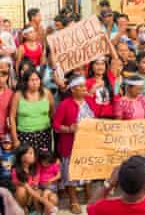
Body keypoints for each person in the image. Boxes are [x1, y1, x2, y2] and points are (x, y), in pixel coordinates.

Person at [53, 76, 99, 214]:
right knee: (71, 174)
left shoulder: (90, 101)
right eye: (80, 86)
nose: (85, 88)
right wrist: (68, 129)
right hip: (70, 145)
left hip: (88, 144)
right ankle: (73, 201)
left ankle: (89, 195)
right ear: (72, 89)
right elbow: (55, 125)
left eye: (84, 86)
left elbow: (96, 118)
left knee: (88, 170)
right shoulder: (65, 104)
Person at [11, 69, 55, 153]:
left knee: (44, 162)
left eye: (37, 79)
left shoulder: (47, 93)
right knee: (27, 162)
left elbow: (52, 113)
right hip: (25, 134)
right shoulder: (18, 95)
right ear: (26, 81)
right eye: (32, 80)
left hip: (44, 134)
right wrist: (15, 139)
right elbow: (12, 117)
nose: (35, 83)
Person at [11, 144, 56, 215]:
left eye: (33, 153)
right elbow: (29, 189)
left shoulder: (36, 166)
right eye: (30, 153)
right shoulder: (16, 171)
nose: (33, 155)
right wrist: (46, 202)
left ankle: (40, 210)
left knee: (53, 198)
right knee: (21, 190)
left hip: (34, 194)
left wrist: (57, 160)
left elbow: (47, 157)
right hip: (25, 197)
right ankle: (23, 208)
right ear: (21, 156)